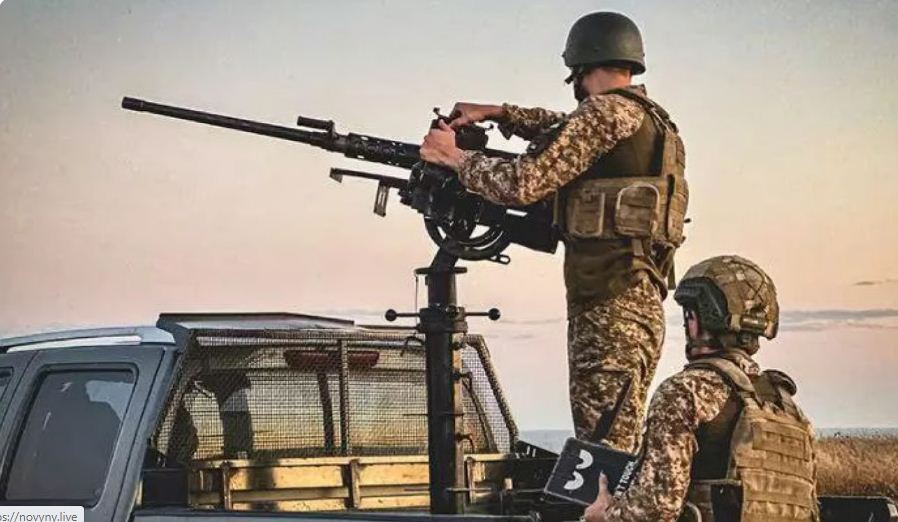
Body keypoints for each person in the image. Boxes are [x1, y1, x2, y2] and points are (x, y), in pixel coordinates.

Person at [419, 11, 687, 454]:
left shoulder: (605, 113)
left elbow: (524, 183)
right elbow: (564, 127)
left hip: (608, 310)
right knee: (615, 445)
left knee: (602, 456)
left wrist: (454, 158)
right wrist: (500, 113)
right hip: (633, 303)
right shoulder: (648, 121)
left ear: (581, 67)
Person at [584, 255, 819, 522]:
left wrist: (605, 514)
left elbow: (656, 508)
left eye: (689, 313)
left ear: (699, 317)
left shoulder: (684, 392)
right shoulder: (790, 410)